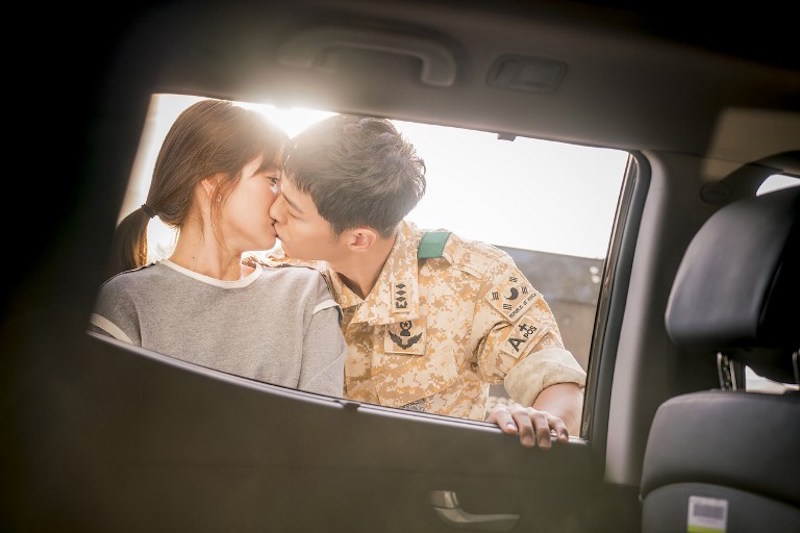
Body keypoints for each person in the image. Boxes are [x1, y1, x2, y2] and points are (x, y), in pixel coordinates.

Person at [263, 114, 587, 448]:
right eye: (277, 189)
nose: (273, 211)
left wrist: (538, 425)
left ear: (359, 239)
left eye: (293, 210)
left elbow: (555, 382)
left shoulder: (472, 277)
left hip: (431, 491)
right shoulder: (277, 276)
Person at [88, 99, 347, 397]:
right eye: (273, 180)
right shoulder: (124, 304)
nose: (282, 203)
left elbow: (319, 432)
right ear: (213, 181)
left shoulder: (305, 293)